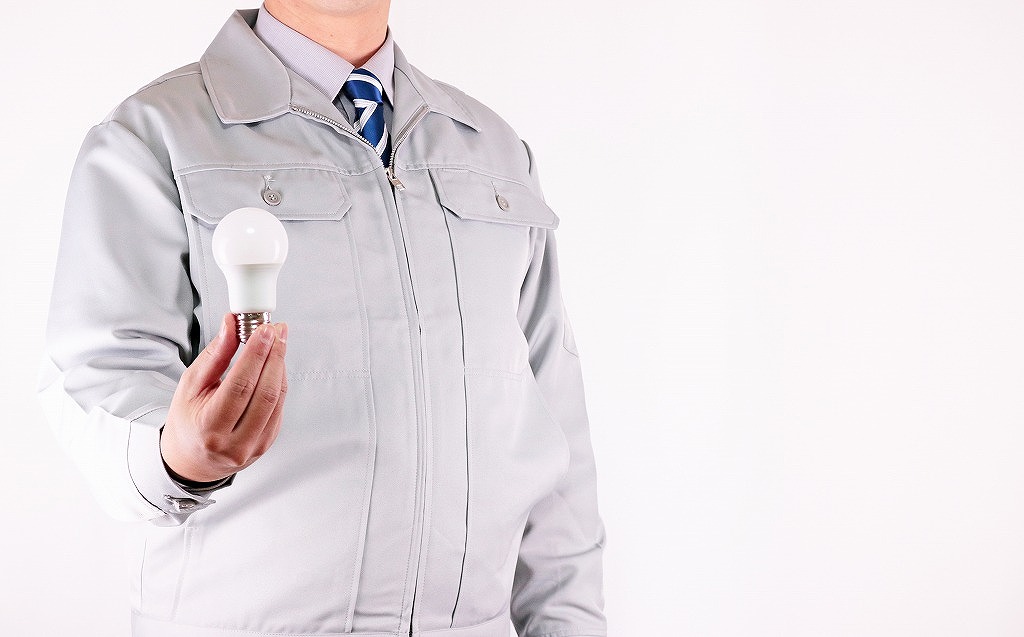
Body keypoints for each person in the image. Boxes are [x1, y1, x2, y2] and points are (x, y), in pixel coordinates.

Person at [39, 1, 606, 636]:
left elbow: (552, 422)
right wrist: (178, 457)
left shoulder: (494, 151)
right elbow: (97, 377)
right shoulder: (155, 135)